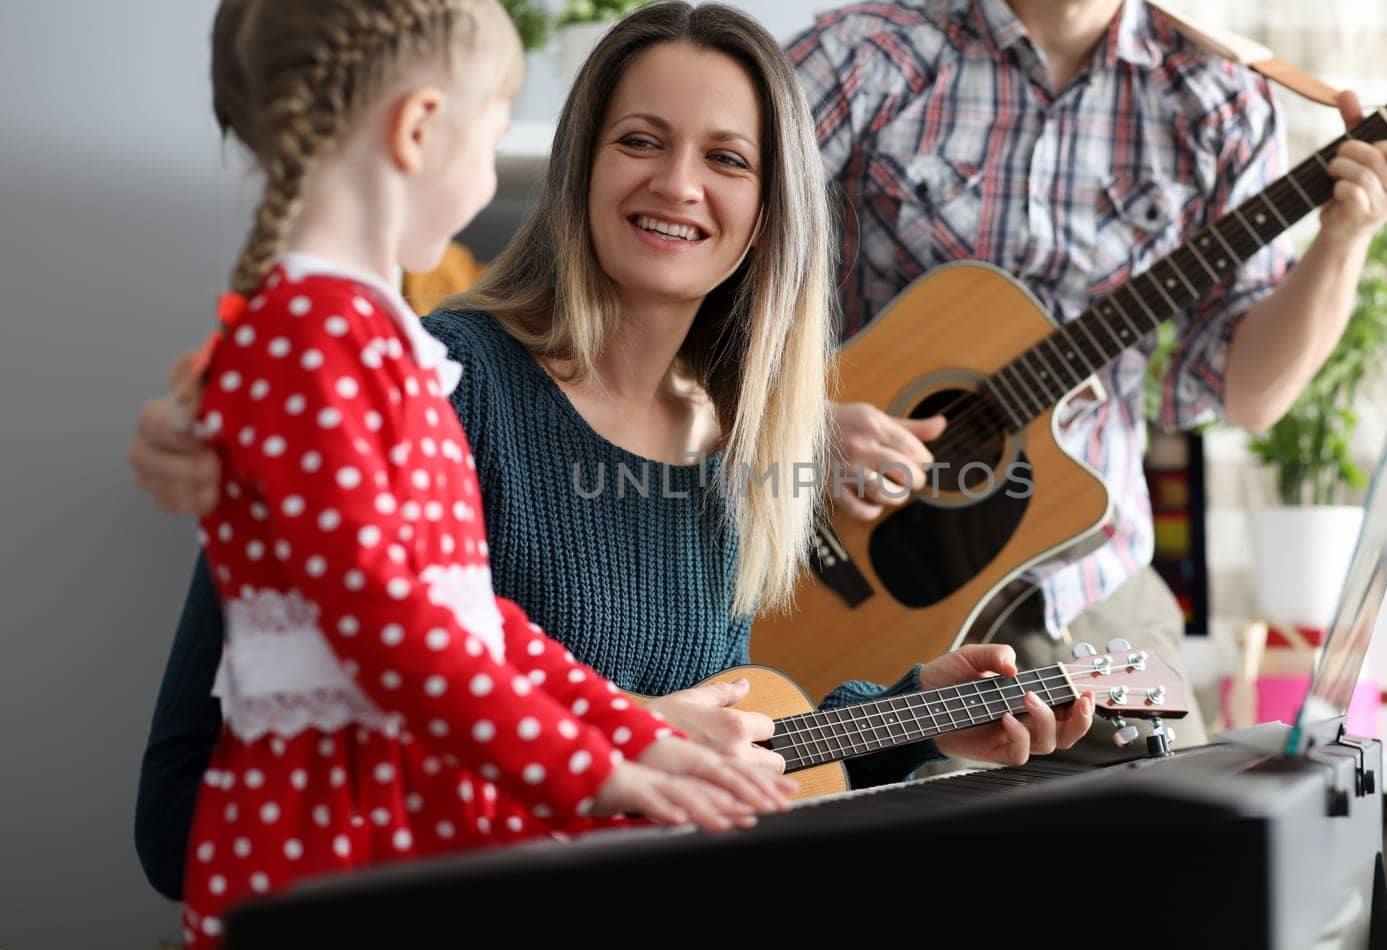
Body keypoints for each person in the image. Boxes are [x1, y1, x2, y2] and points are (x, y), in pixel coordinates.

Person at [127, 0, 1097, 907]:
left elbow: (714, 746)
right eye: (640, 141)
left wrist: (909, 716)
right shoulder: (433, 381)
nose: (678, 184)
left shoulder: (741, 454)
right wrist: (614, 740)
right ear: (578, 165)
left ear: (771, 212)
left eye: (727, 158)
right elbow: (181, 808)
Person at [169, 0, 802, 942]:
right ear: (419, 128)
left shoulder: (376, 343)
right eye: (499, 132)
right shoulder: (325, 341)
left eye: (725, 157)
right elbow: (393, 627)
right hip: (328, 849)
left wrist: (628, 737)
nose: (678, 186)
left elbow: (471, 621)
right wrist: (601, 770)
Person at [790, 0, 1387, 756]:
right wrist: (800, 425)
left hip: (1090, 585)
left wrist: (1344, 241)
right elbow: (701, 278)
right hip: (835, 559)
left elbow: (1250, 397)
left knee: (1193, 846)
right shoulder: (865, 54)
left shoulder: (1219, 101)